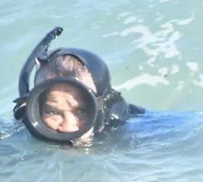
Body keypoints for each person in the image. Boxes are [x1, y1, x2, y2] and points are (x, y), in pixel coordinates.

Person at [12, 27, 145, 146]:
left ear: (102, 104)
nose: (68, 128)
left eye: (82, 111)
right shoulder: (22, 132)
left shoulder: (141, 129)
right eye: (52, 112)